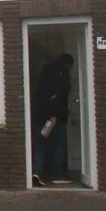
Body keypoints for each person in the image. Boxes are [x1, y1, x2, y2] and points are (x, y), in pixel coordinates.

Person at [31, 53, 75, 187]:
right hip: (54, 118)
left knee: (41, 145)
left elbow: (41, 95)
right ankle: (58, 174)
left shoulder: (46, 71)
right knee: (59, 145)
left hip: (39, 115)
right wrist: (55, 115)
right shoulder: (61, 74)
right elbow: (58, 96)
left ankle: (37, 173)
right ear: (69, 65)